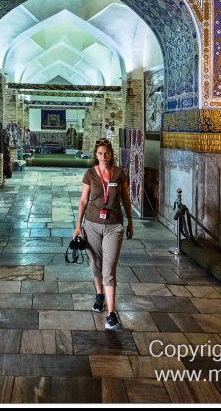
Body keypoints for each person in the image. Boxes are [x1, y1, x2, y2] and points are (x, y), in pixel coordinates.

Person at [72, 138, 133, 330]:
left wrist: (130, 221)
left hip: (114, 226)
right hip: (92, 225)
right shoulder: (90, 173)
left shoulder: (120, 174)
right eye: (100, 153)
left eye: (106, 153)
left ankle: (112, 314)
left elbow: (125, 199)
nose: (103, 157)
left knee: (109, 269)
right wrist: (78, 225)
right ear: (95, 155)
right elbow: (83, 201)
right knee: (95, 264)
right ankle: (99, 295)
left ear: (111, 154)